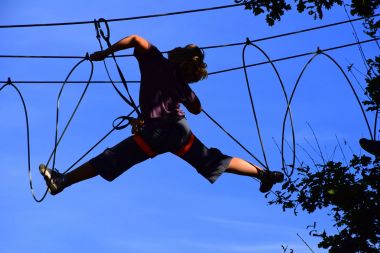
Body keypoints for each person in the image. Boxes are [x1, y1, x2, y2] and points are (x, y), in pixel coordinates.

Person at [39, 35, 284, 196]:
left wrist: (107, 52)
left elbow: (136, 39)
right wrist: (182, 93)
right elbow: (197, 109)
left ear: (177, 55)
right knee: (210, 159)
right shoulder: (183, 87)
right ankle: (263, 173)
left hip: (155, 134)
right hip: (178, 132)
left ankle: (63, 182)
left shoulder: (155, 61)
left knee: (112, 158)